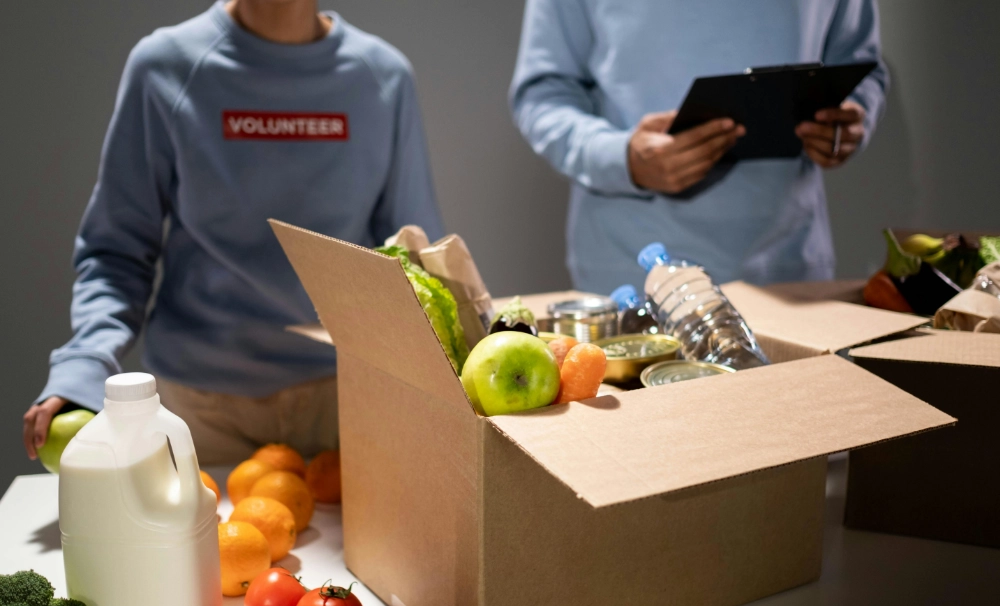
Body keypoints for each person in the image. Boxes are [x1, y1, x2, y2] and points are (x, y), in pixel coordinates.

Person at [23, 0, 443, 464]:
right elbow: (117, 250)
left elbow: (413, 259)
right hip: (199, 413)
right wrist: (84, 363)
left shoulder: (383, 77)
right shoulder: (165, 65)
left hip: (343, 402)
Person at [510, 0, 888, 293]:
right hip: (634, 272)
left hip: (788, 264)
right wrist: (621, 157)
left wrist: (855, 119)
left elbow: (862, 66)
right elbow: (542, 94)